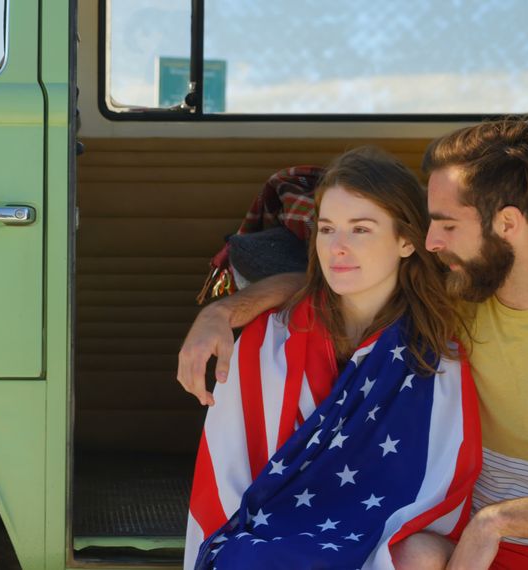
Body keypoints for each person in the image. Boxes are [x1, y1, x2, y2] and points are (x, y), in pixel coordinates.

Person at [178, 121, 528, 569]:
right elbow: (332, 282)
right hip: (463, 539)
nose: (431, 242)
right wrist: (221, 312)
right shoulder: (459, 292)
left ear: (506, 224)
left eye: (445, 224)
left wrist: (499, 521)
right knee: (411, 556)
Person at [185, 147, 481, 569]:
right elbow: (229, 481)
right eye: (326, 229)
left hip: (380, 532)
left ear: (407, 240)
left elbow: (439, 486)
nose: (337, 248)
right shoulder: (269, 341)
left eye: (360, 230)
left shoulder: (437, 350)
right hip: (274, 535)